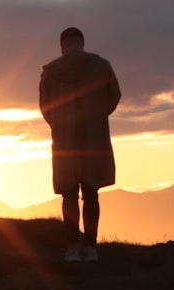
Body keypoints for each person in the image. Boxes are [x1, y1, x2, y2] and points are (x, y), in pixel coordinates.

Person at [39, 27, 121, 262]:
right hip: (94, 137)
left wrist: (58, 123)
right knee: (91, 193)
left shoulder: (51, 72)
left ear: (63, 44)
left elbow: (45, 106)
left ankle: (73, 248)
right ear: (82, 42)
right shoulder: (101, 65)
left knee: (69, 195)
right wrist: (97, 115)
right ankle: (91, 248)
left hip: (65, 140)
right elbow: (113, 96)